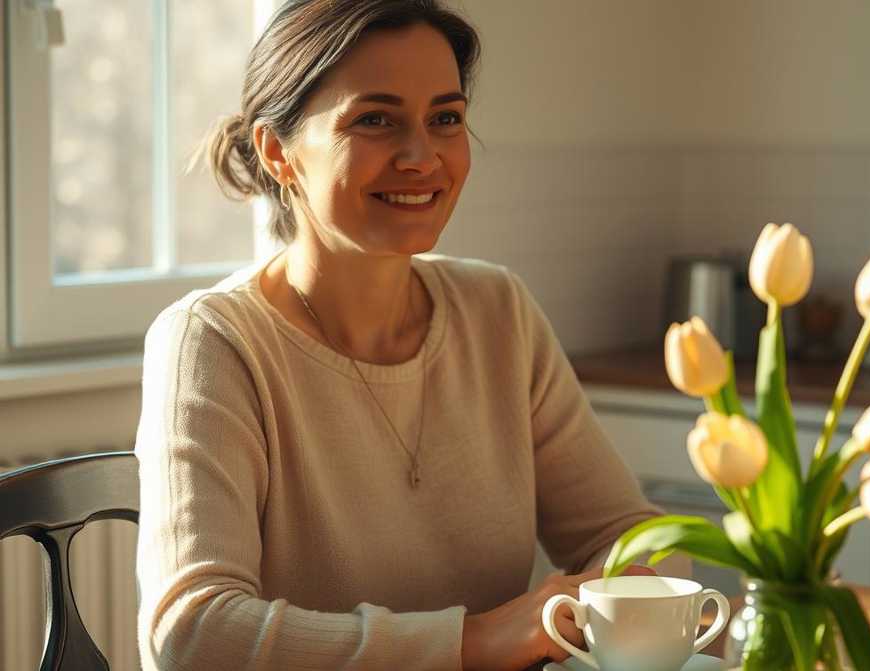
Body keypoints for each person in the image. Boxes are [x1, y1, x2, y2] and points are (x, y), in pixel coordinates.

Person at [134, 1, 690, 669]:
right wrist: (475, 641)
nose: (422, 156)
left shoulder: (498, 312)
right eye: (375, 120)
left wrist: (603, 599)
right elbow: (191, 633)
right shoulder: (213, 342)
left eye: (446, 119)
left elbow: (635, 535)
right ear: (278, 152)